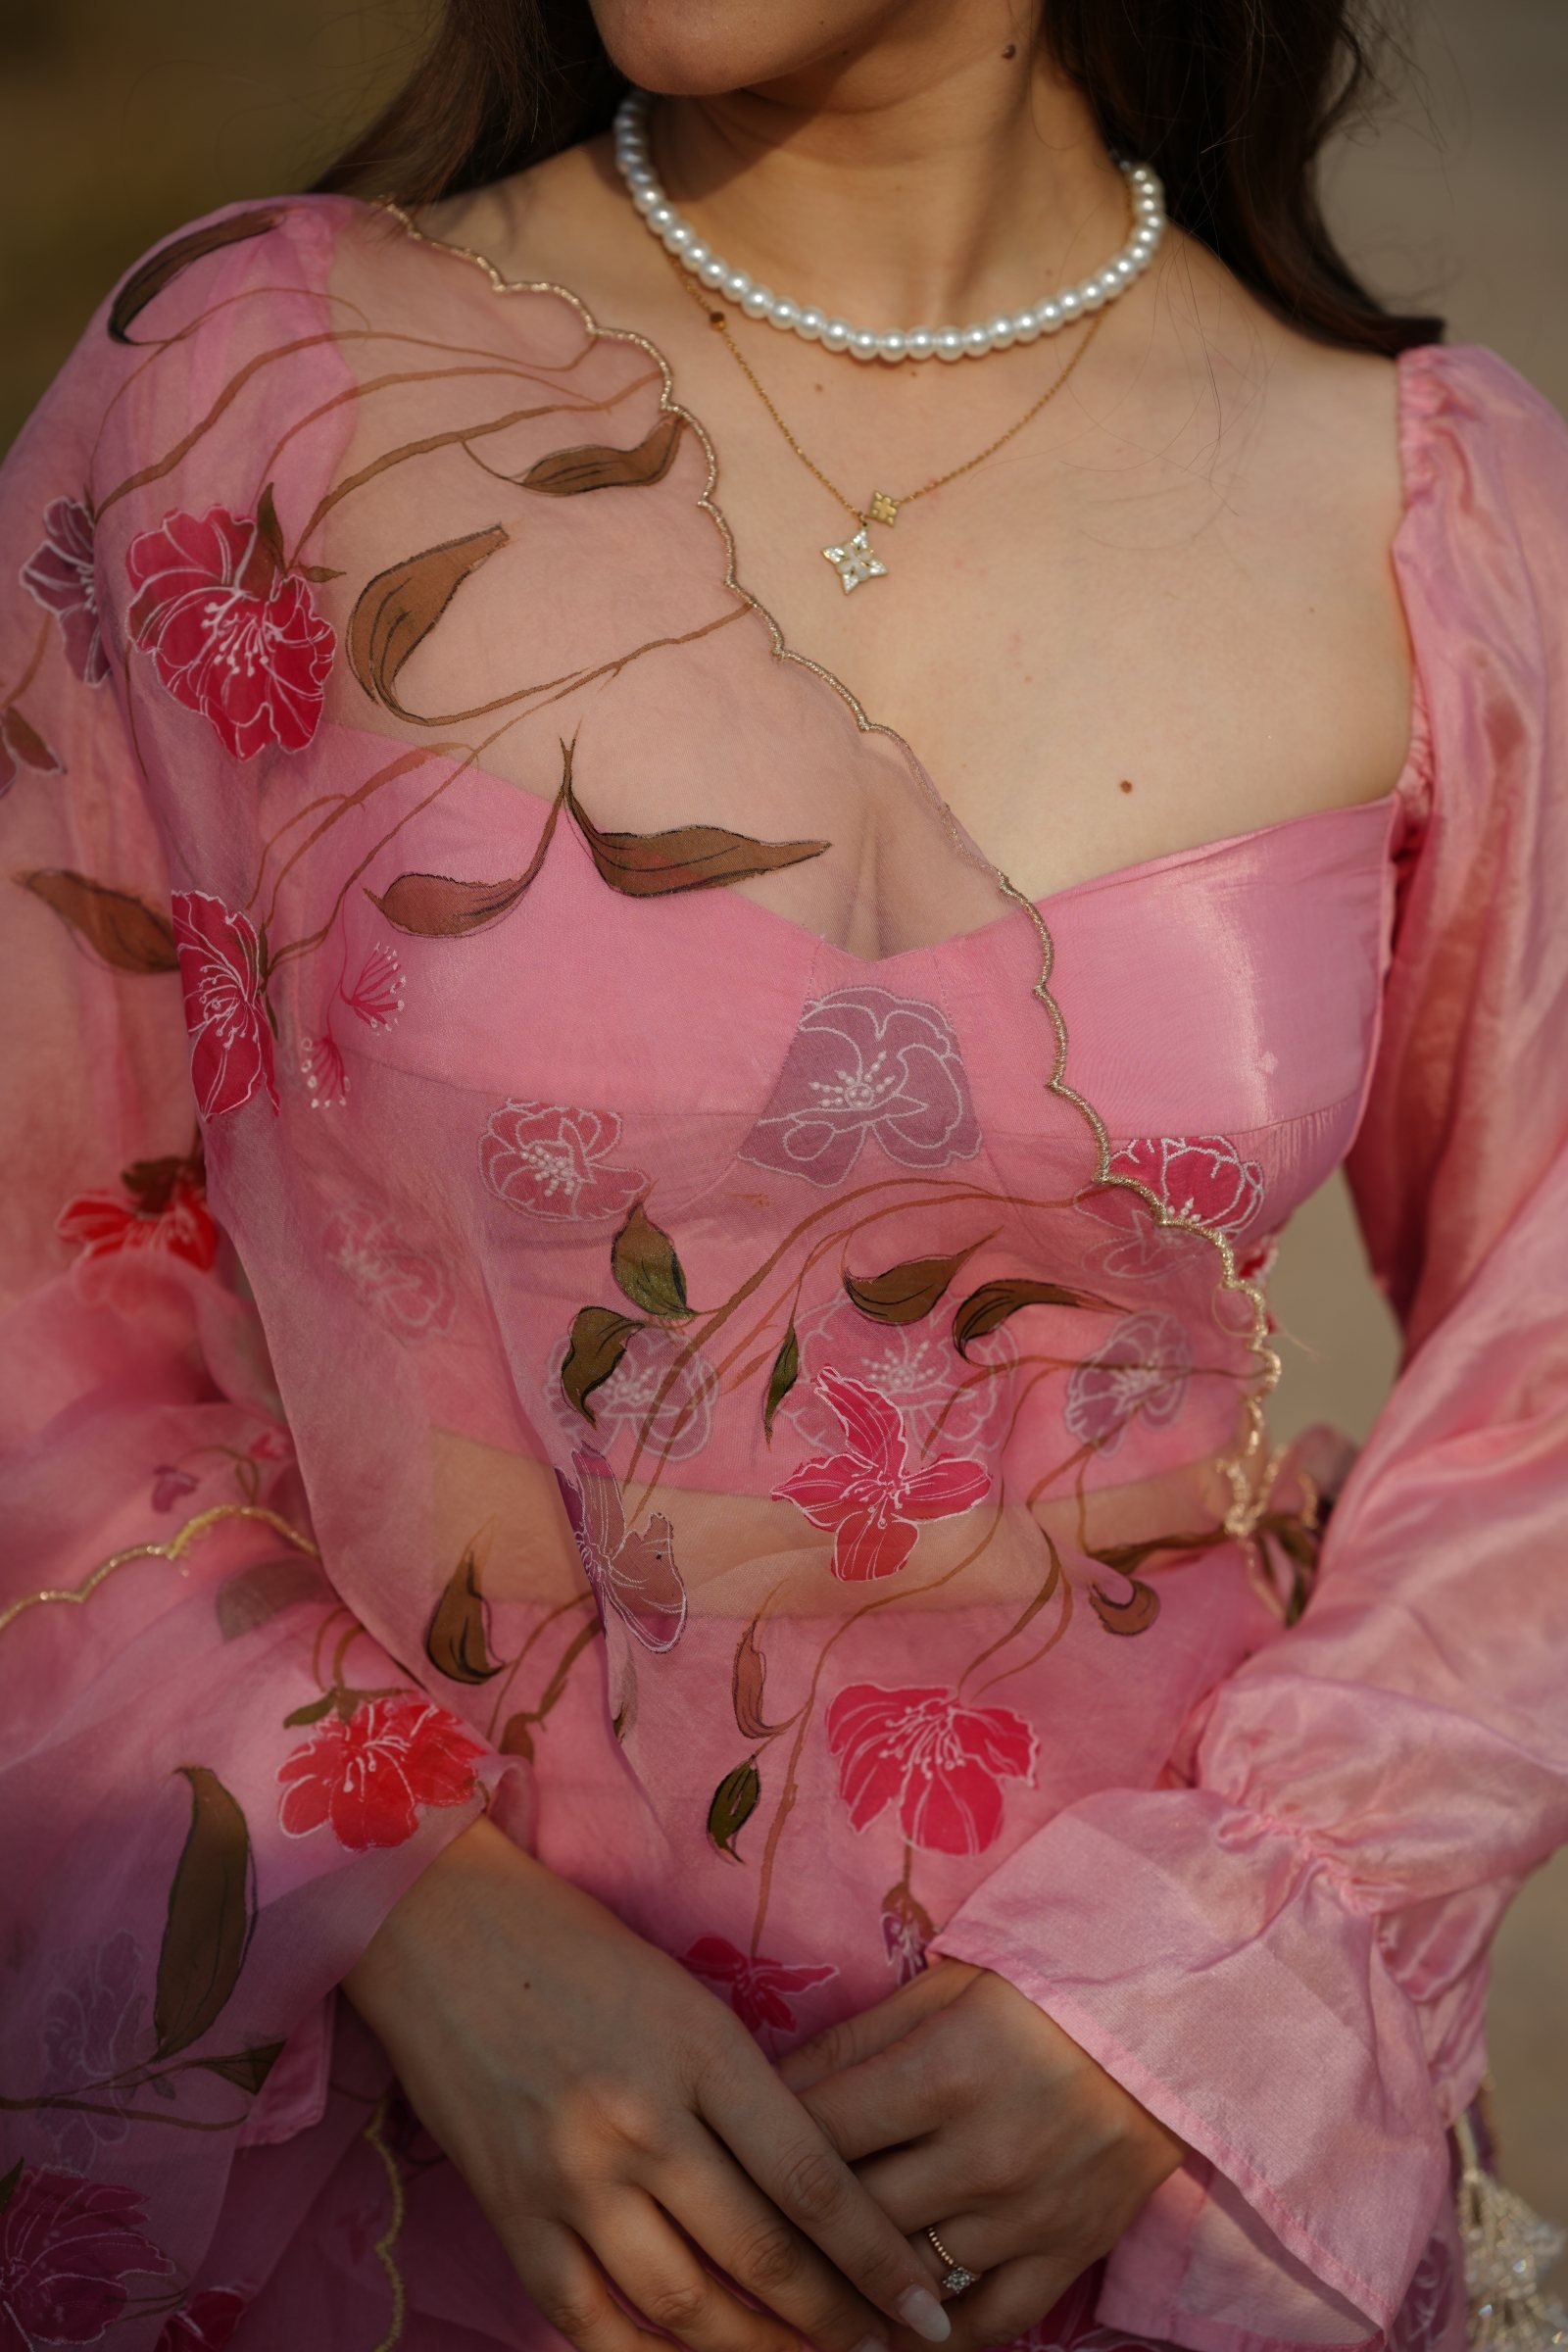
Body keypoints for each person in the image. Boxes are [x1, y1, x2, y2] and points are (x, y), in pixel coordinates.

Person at [1, 3, 1565, 2348]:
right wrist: (402, 1902)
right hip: (394, 2185)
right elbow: (42, 1281)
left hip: (1114, 2224)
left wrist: (1206, 1978)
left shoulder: (1429, 508)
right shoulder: (257, 394)